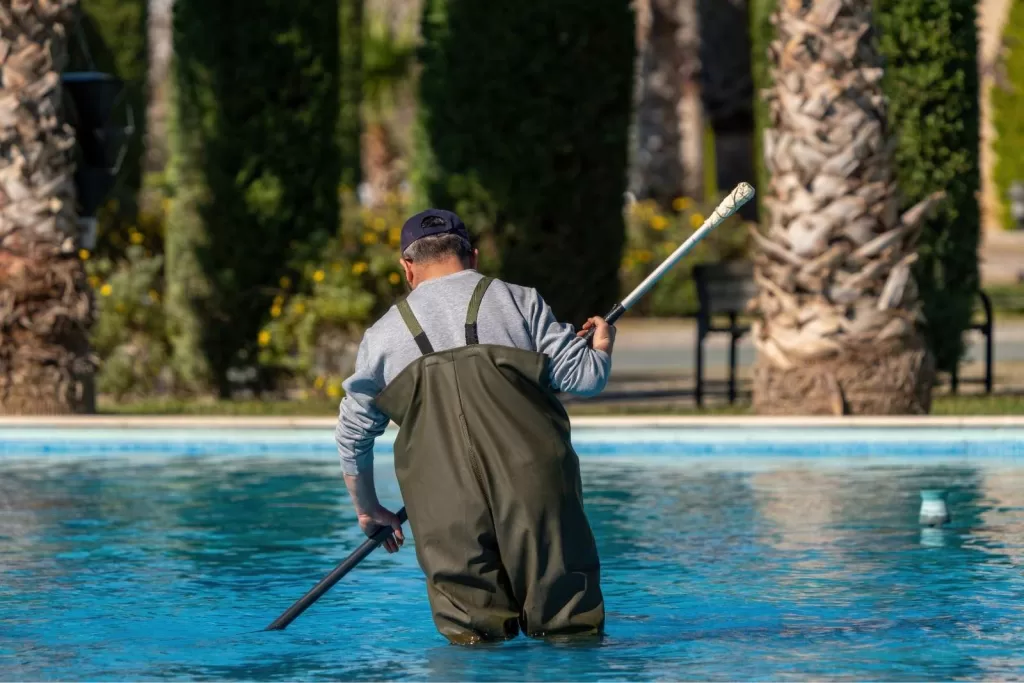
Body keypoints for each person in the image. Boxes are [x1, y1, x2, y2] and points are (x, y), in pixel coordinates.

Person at [335, 208, 616, 644]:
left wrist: (370, 508)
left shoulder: (382, 337)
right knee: (570, 630)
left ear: (408, 267)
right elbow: (584, 379)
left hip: (442, 504)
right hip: (536, 486)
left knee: (473, 643)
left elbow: (353, 436)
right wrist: (599, 346)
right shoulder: (519, 300)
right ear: (474, 256)